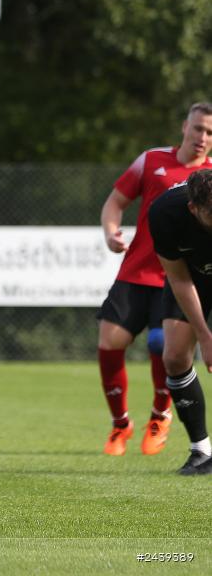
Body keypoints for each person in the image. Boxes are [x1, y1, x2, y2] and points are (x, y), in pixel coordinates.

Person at [96, 102, 212, 456]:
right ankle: (121, 424)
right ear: (184, 127)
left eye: (210, 133)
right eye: (198, 129)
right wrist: (111, 233)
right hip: (139, 271)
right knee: (109, 341)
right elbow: (115, 202)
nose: (203, 138)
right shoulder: (151, 161)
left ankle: (161, 415)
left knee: (164, 347)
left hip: (182, 277)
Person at [148, 170, 212, 475]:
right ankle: (201, 451)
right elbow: (178, 278)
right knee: (174, 357)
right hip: (193, 277)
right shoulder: (164, 213)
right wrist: (204, 335)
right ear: (193, 208)